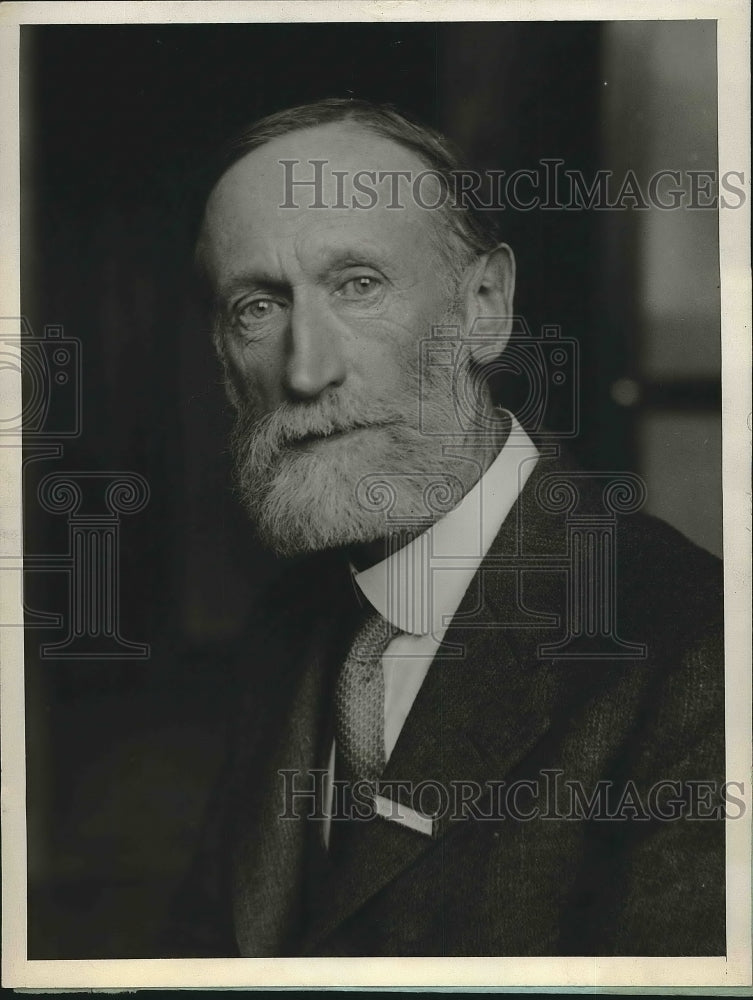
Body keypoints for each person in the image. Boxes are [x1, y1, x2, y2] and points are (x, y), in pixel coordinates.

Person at [170, 98, 725, 957]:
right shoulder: (288, 622)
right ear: (222, 355)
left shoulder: (701, 650)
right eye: (257, 307)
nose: (306, 368)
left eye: (358, 285)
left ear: (482, 307)